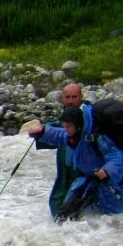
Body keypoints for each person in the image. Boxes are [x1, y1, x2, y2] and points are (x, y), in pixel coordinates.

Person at [25, 109, 123, 221]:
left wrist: (107, 171)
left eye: (68, 126)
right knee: (68, 216)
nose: (66, 129)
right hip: (87, 182)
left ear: (78, 126)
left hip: (106, 184)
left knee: (122, 217)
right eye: (64, 126)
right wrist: (42, 131)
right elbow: (58, 134)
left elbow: (117, 157)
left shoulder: (97, 138)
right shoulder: (71, 135)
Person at [38, 82, 87, 218]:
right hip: (65, 169)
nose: (71, 101)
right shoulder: (63, 118)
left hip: (84, 170)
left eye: (74, 97)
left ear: (81, 97)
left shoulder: (89, 116)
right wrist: (42, 132)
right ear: (62, 98)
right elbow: (57, 135)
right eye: (68, 97)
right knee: (58, 202)